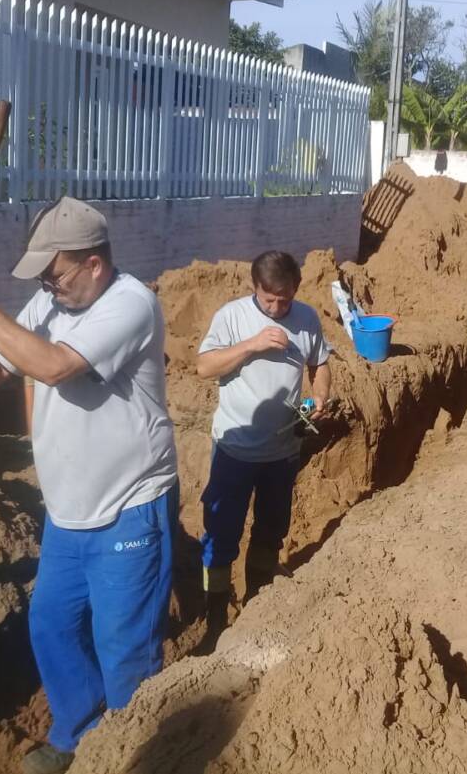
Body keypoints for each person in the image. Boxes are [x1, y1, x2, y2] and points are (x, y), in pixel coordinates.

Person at [0, 197, 178, 774]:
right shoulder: (50, 301)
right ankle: (77, 731)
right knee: (51, 625)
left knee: (124, 648)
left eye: (55, 274)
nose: (48, 288)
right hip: (67, 511)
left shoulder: (130, 304)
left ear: (94, 264)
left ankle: (133, 755)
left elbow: (53, 366)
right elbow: (2, 365)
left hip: (128, 509)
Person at [194, 251, 331, 650]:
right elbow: (204, 367)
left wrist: (320, 396)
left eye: (284, 299)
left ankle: (256, 604)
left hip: (282, 452)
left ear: (296, 290)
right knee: (221, 535)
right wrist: (252, 345)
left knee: (270, 531)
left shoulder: (306, 318)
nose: (276, 307)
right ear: (255, 288)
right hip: (234, 450)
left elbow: (319, 363)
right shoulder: (232, 317)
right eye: (269, 299)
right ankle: (215, 618)